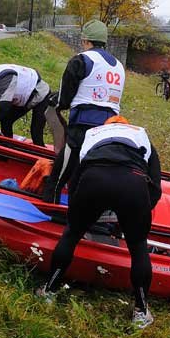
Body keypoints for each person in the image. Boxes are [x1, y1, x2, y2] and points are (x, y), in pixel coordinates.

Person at [37, 116, 162, 329]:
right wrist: (133, 219)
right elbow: (155, 188)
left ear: (107, 127)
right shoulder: (143, 136)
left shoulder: (92, 134)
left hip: (94, 177)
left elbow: (75, 181)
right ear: (126, 125)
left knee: (71, 234)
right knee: (138, 246)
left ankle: (49, 290)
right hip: (133, 180)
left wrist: (78, 216)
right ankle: (141, 312)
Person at [41, 19, 125, 203]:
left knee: (62, 170)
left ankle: (50, 201)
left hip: (83, 125)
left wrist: (59, 105)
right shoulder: (119, 66)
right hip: (110, 126)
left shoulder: (81, 59)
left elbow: (65, 95)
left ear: (87, 41)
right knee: (87, 170)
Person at [0, 64, 51, 146]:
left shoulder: (3, 78)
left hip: (40, 94)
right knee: (6, 121)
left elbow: (2, 108)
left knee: (36, 132)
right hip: (23, 96)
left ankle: (42, 153)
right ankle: (8, 146)